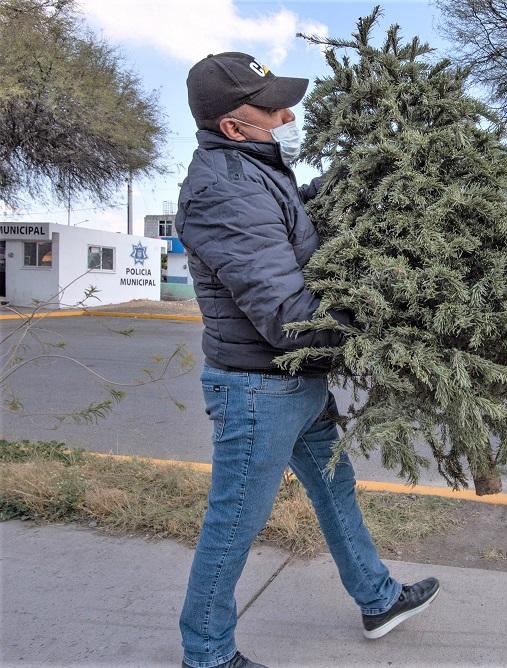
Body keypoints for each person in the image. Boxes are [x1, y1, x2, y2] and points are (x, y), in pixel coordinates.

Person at [176, 52, 439, 668]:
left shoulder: (254, 170)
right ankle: (206, 654)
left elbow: (291, 222)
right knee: (234, 521)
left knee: (334, 486)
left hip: (294, 383)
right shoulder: (224, 191)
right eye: (270, 108)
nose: (287, 113)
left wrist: (354, 173)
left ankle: (378, 599)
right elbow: (292, 318)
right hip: (258, 389)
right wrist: (385, 323)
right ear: (233, 126)